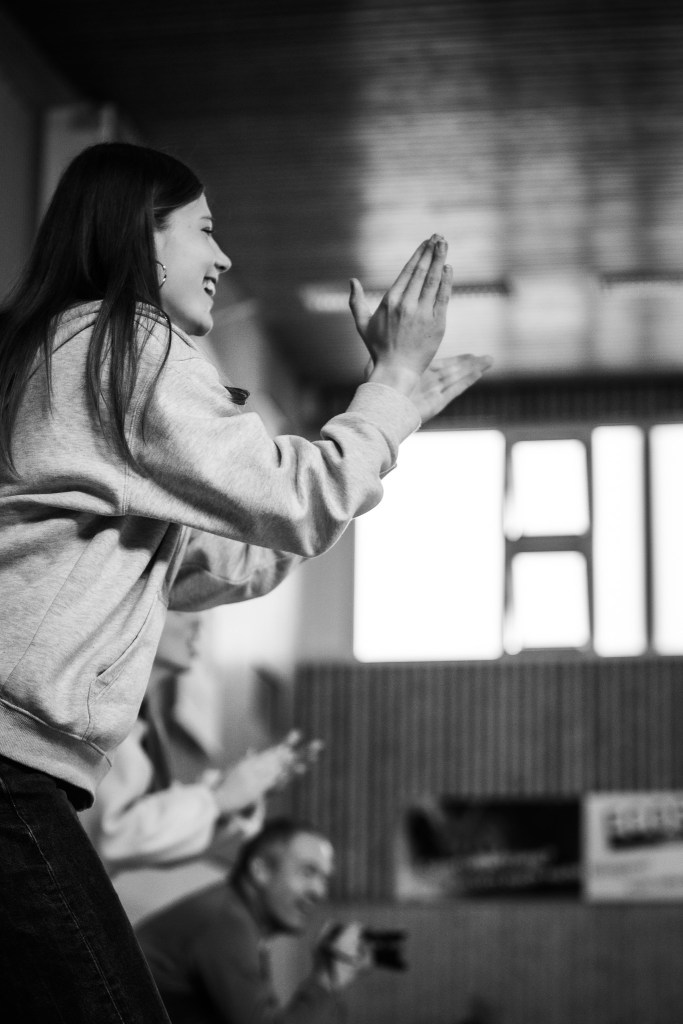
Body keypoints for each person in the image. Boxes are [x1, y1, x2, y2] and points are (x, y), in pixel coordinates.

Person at [0, 140, 491, 1022]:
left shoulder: (68, 354)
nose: (223, 257)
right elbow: (294, 499)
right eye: (204, 229)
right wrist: (391, 384)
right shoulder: (126, 347)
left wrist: (386, 423)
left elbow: (227, 558)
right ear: (142, 238)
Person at [85, 608, 322, 873]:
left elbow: (154, 832)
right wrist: (220, 798)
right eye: (181, 609)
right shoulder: (99, 707)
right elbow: (109, 839)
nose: (198, 622)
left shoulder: (148, 720)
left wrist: (243, 790)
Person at [136, 818, 371, 1024]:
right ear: (261, 870)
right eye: (308, 872)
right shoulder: (226, 924)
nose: (320, 892)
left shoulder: (235, 915)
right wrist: (327, 979)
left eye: (325, 879)